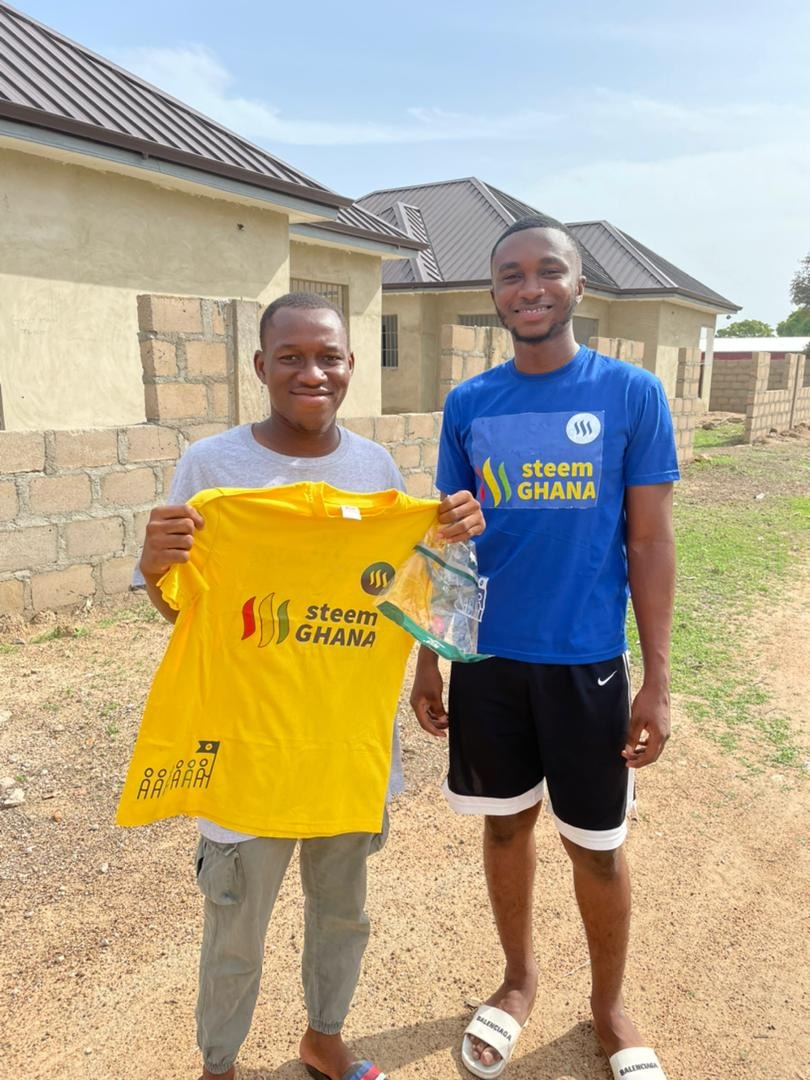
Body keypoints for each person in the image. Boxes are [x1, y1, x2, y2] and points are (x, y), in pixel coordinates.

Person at [138, 292, 484, 1080]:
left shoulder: (376, 471)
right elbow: (181, 611)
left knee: (342, 912)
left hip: (343, 747)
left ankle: (324, 1037)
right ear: (261, 366)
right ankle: (219, 1066)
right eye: (291, 357)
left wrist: (448, 541)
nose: (312, 372)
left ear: (352, 365)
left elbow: (406, 597)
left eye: (328, 356)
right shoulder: (211, 468)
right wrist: (156, 567)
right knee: (234, 928)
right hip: (245, 748)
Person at [410, 218, 678, 1080]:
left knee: (595, 843)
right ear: (493, 292)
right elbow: (447, 541)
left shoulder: (631, 394)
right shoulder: (469, 404)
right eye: (511, 274)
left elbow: (649, 541)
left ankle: (609, 1008)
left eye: (548, 271)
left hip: (585, 661)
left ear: (579, 286)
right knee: (504, 825)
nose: (530, 287)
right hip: (487, 664)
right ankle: (518, 980)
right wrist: (428, 656)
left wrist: (658, 679)